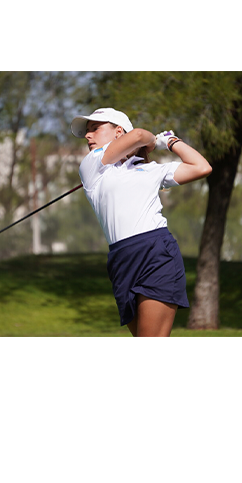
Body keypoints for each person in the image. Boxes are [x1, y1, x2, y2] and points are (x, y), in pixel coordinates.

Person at [71, 108, 213, 338]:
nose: (88, 136)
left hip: (156, 252)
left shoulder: (150, 170)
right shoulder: (91, 165)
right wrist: (151, 141)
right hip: (120, 260)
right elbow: (138, 136)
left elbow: (201, 167)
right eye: (87, 132)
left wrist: (169, 141)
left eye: (95, 129)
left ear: (118, 132)